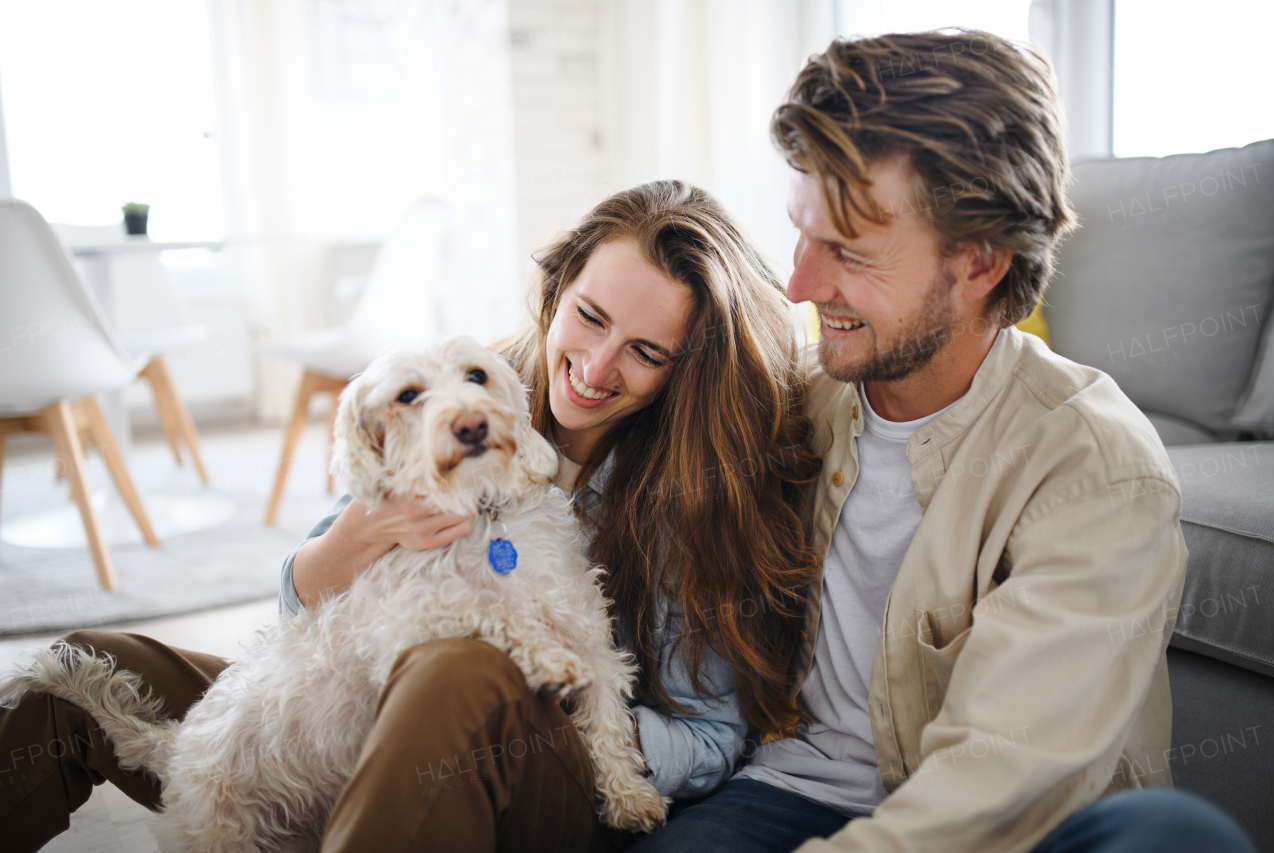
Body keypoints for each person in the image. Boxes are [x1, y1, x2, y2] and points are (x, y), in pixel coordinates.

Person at [0, 181, 822, 853]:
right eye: (591, 317)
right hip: (349, 714)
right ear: (559, 285)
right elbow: (307, 617)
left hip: (529, 770)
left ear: (689, 368)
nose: (597, 367)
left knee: (451, 674)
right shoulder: (468, 383)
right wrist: (354, 540)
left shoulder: (699, 492)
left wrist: (558, 697)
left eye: (647, 352)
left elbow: (714, 739)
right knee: (77, 673)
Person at [630, 31, 1256, 853]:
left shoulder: (1096, 473)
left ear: (980, 263)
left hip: (1011, 831)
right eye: (803, 234)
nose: (801, 285)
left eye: (849, 252)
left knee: (1176, 837)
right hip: (787, 793)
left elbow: (997, 787)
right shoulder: (798, 399)